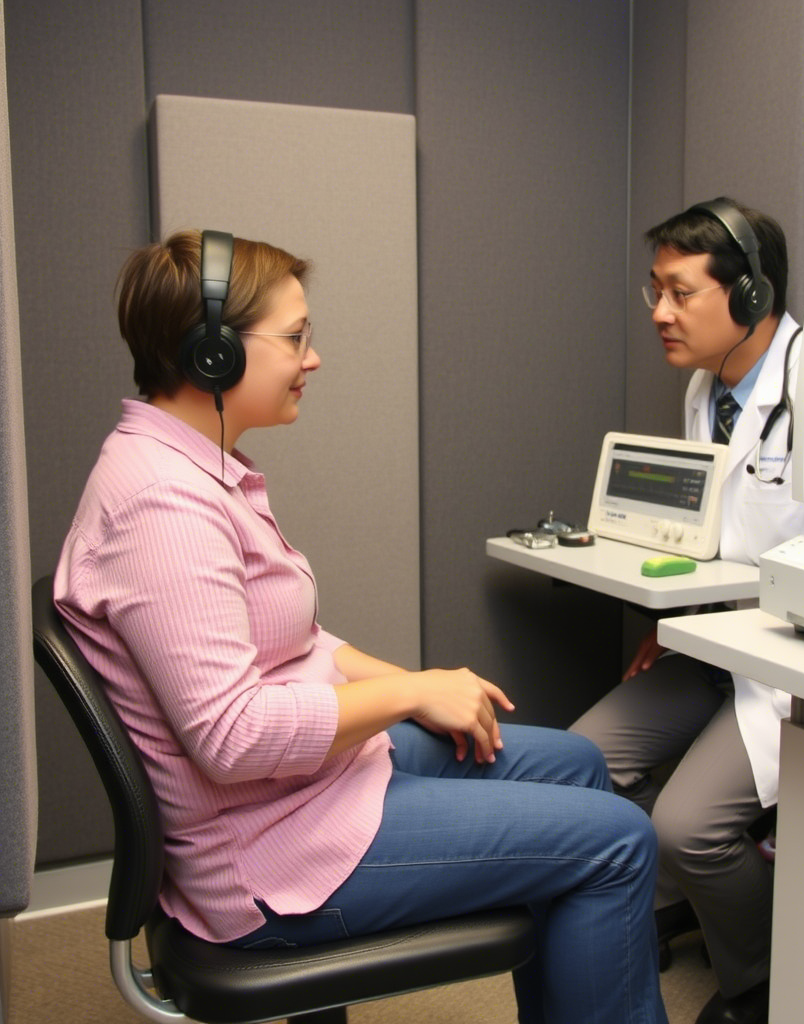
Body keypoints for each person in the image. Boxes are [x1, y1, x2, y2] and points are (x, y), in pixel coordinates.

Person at [54, 229, 669, 1024]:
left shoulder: (198, 470)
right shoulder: (160, 506)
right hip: (272, 853)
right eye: (295, 338)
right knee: (619, 841)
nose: (313, 359)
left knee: (579, 764)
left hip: (306, 790)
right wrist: (413, 692)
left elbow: (298, 647)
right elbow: (234, 737)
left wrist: (416, 690)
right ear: (212, 354)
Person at [572, 198, 804, 1024]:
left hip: (796, 661)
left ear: (753, 298)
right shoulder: (707, 387)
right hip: (713, 643)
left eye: (678, 292)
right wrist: (668, 624)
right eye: (653, 290)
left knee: (688, 825)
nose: (658, 313)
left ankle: (762, 985)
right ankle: (663, 904)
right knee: (586, 761)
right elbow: (716, 536)